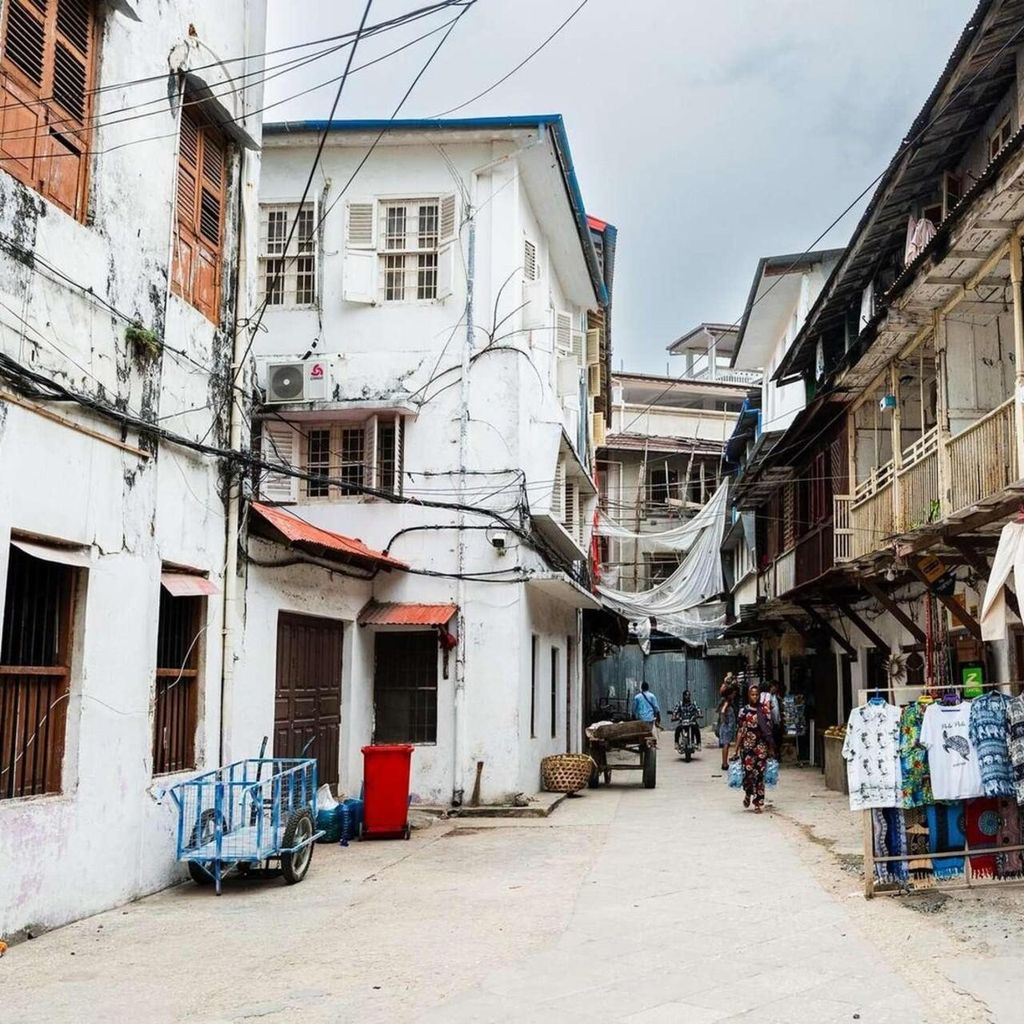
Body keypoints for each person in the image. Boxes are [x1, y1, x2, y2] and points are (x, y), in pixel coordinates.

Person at [734, 683, 775, 813]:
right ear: (748, 695)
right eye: (752, 694)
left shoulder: (764, 711)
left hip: (761, 747)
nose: (755, 697)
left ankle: (758, 802)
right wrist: (736, 749)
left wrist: (771, 748)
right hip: (747, 747)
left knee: (760, 775)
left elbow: (768, 731)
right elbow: (741, 731)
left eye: (757, 694)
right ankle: (748, 793)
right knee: (748, 773)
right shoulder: (744, 711)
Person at [717, 680, 738, 771]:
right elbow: (722, 712)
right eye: (733, 694)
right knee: (726, 744)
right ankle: (724, 763)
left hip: (727, 726)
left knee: (726, 744)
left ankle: (724, 762)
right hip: (726, 727)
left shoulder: (728, 702)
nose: (734, 695)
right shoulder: (726, 703)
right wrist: (724, 721)